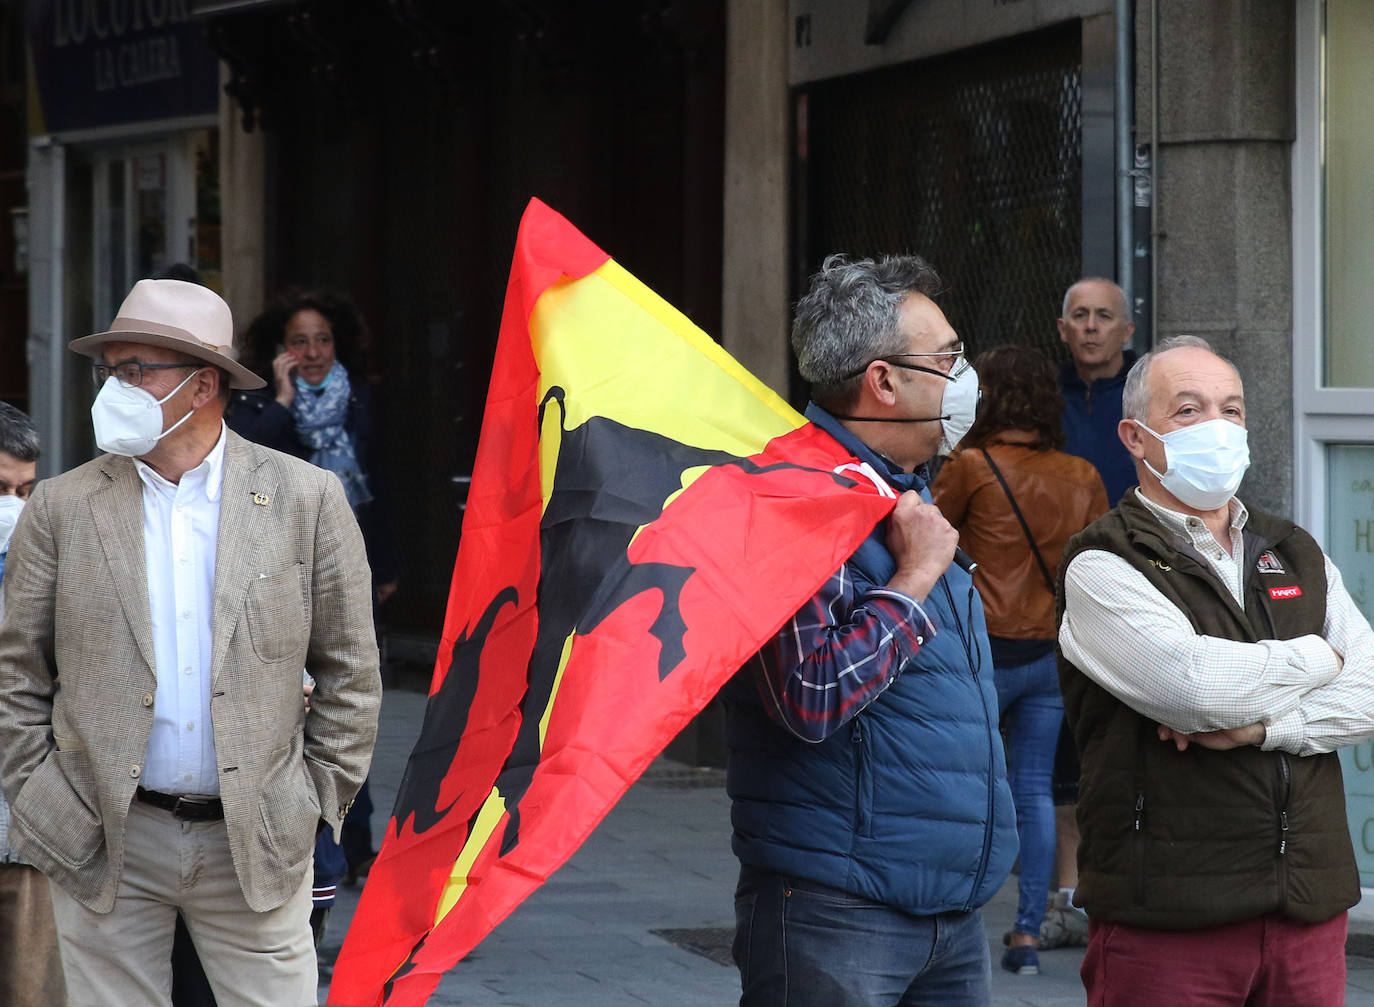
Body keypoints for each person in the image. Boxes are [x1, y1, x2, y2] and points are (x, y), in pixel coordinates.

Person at [0, 278, 382, 1006]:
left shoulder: (305, 498)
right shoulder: (62, 504)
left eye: (135, 369)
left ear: (203, 383)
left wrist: (311, 800)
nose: (116, 387)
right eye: (108, 370)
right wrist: (41, 795)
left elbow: (353, 672)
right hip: (104, 832)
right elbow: (15, 671)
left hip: (257, 837)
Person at [723, 253, 1016, 1006]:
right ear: (883, 380)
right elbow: (808, 695)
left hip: (947, 909)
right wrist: (914, 579)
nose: (965, 377)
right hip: (837, 909)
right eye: (947, 357)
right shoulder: (795, 497)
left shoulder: (904, 495)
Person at [1057, 334, 1374, 1005]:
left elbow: (1370, 690)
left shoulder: (1293, 551)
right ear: (1135, 437)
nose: (1218, 428)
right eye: (1189, 410)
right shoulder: (1104, 563)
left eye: (1232, 410)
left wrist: (1262, 728)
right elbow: (1194, 685)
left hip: (1307, 909)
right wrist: (1322, 657)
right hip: (1172, 917)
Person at [931, 346, 1107, 976]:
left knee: (961, 787)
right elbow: (1096, 574)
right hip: (1050, 653)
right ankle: (1027, 935)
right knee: (1034, 791)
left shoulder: (968, 466)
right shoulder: (1083, 476)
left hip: (981, 651)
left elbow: (928, 541)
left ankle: (947, 923)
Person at [226, 287, 396, 926]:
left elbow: (380, 482)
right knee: (299, 704)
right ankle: (311, 844)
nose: (313, 351)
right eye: (300, 341)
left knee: (351, 700)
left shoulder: (358, 397)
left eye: (322, 339)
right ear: (280, 349)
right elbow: (254, 456)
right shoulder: (259, 406)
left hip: (356, 567)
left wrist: (389, 567)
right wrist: (284, 398)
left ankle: (355, 844)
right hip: (285, 573)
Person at [1046, 275, 1140, 948]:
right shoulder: (1042, 403)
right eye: (1079, 315)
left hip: (1139, 587)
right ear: (1062, 329)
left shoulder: (1148, 398)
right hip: (1055, 591)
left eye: (1104, 316)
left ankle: (1131, 887)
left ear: (1126, 332)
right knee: (1061, 757)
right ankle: (1065, 897)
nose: (1091, 327)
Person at [0, 402, 65, 1007]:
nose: (12, 508)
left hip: (24, 842)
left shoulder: (53, 574)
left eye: (24, 490)